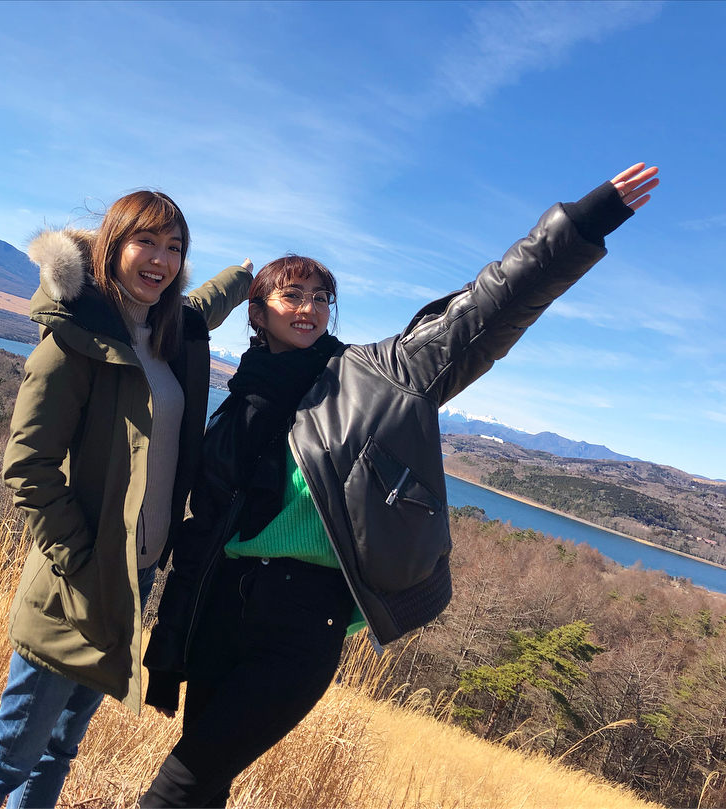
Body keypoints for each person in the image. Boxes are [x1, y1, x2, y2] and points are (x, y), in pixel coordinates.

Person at [140, 164, 660, 808]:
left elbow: (485, 309)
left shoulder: (377, 374)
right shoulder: (239, 398)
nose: (309, 309)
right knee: (206, 781)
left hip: (305, 618)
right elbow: (207, 516)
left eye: (321, 297)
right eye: (292, 295)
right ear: (258, 310)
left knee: (180, 781)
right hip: (220, 606)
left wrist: (582, 223)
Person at [0, 190, 253, 809]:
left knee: (58, 752)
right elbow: (26, 468)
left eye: (175, 248)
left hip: (132, 581)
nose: (161, 260)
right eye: (147, 242)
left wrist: (251, 279)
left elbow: (204, 303)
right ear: (113, 245)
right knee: (8, 758)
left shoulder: (166, 330)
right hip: (75, 584)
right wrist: (81, 561)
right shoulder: (76, 341)